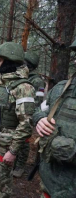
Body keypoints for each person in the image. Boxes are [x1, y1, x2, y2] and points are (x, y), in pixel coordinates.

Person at [0, 42, 35, 197]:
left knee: (2, 179)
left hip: (7, 143)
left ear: (11, 61)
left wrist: (13, 150)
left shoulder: (23, 87)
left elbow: (26, 123)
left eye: (0, 60)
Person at [32, 40, 76, 198]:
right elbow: (39, 109)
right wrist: (39, 119)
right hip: (49, 182)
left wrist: (62, 147)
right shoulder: (60, 89)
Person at [13, 51, 46, 177]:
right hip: (18, 112)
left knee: (24, 141)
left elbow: (38, 101)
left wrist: (30, 115)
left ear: (29, 65)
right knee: (16, 138)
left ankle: (20, 166)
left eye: (23, 63)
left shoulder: (37, 81)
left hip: (29, 114)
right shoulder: (22, 77)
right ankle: (15, 162)